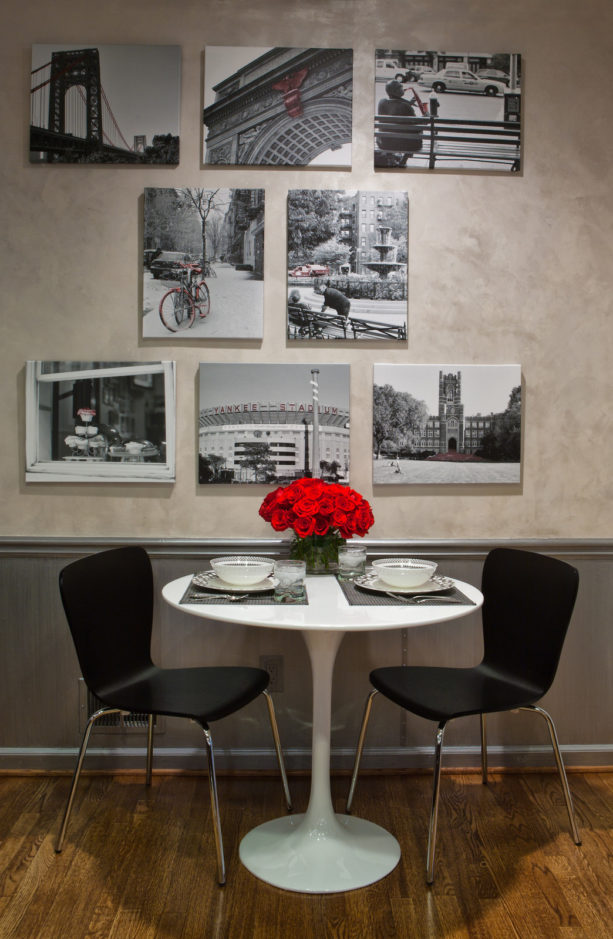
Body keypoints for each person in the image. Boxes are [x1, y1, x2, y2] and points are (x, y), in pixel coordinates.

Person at [375, 79, 423, 167]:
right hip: (405, 145)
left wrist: (408, 103)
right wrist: (425, 116)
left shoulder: (382, 102)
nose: (403, 88)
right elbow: (417, 126)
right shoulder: (405, 107)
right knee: (418, 132)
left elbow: (394, 105)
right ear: (394, 91)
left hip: (384, 143)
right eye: (400, 87)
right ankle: (404, 160)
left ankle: (390, 157)